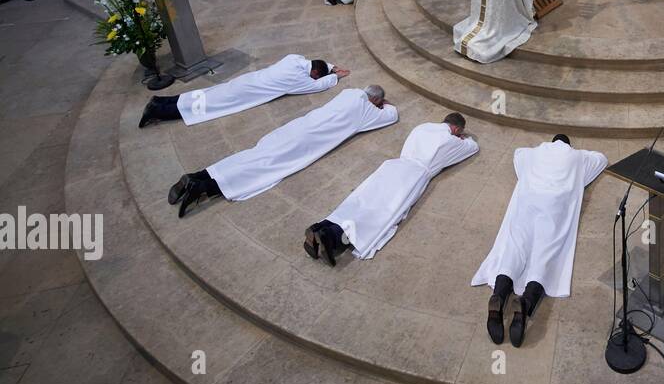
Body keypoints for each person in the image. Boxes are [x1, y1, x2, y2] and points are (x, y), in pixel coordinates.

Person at [167, 85, 398, 218]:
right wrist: (382, 104)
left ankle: (198, 175)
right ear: (376, 100)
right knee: (263, 169)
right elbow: (392, 114)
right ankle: (203, 187)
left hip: (296, 127)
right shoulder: (367, 112)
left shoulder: (349, 92)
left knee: (253, 154)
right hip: (306, 142)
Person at [472, 135, 608, 347]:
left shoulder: (534, 152)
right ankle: (526, 302)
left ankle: (499, 293)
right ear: (568, 145)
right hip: (555, 203)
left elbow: (518, 154)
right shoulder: (577, 157)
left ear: (551, 142)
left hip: (529, 198)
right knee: (546, 251)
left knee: (516, 245)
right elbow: (601, 159)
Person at [304, 113, 479, 265]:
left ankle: (320, 226)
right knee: (381, 212)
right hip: (412, 177)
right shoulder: (450, 140)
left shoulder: (423, 127)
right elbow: (473, 147)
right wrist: (464, 139)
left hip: (393, 166)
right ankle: (331, 237)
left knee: (362, 198)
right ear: (456, 129)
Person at [138, 55, 346, 128]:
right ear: (316, 72)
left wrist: (331, 65)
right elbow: (318, 85)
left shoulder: (294, 60)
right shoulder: (298, 80)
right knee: (208, 104)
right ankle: (159, 111)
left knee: (208, 94)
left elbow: (314, 64)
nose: (314, 79)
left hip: (246, 81)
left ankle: (160, 101)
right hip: (245, 93)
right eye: (316, 75)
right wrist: (336, 75)